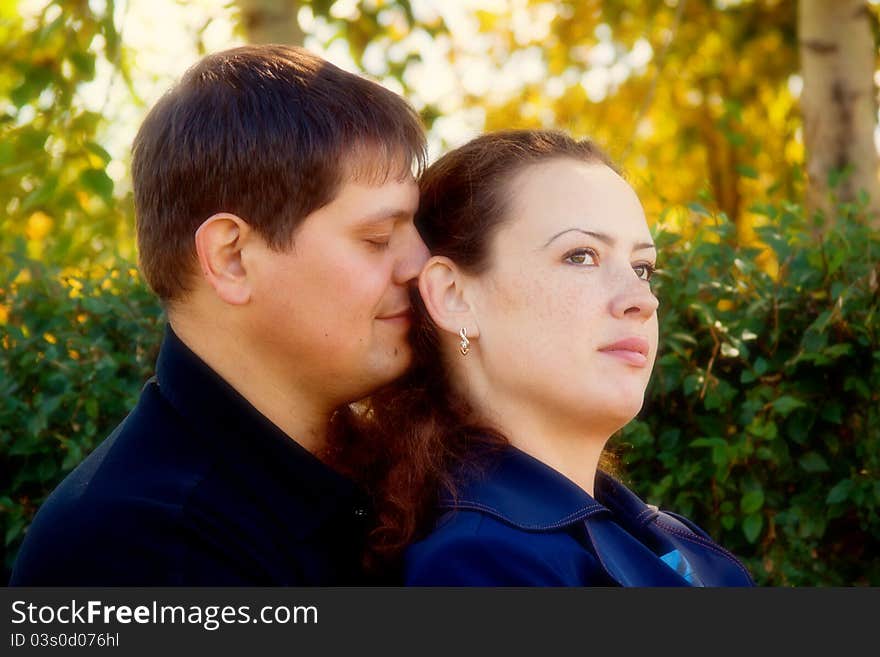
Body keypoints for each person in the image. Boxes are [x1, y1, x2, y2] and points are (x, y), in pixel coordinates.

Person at [9, 44, 428, 585]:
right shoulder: (137, 548)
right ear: (231, 258)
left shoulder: (360, 478)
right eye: (377, 238)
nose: (420, 263)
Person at [358, 129, 754, 586]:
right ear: (453, 296)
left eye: (642, 268)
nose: (642, 301)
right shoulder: (481, 565)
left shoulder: (660, 537)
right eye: (581, 256)